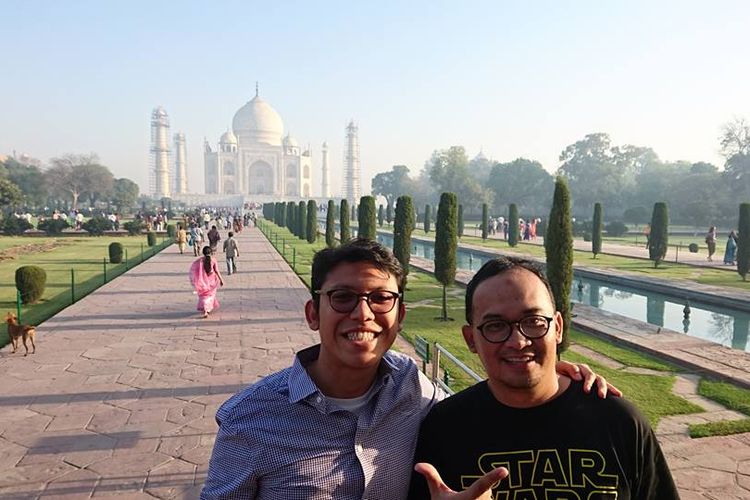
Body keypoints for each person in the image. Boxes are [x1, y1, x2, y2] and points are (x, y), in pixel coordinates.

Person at [200, 239, 616, 499]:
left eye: (381, 298)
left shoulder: (415, 390)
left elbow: (494, 402)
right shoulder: (250, 419)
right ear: (313, 312)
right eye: (343, 297)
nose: (362, 314)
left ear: (399, 318)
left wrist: (550, 374)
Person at [408, 256, 678, 500]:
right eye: (496, 326)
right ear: (471, 340)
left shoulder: (619, 422)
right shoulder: (445, 429)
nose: (518, 341)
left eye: (534, 321)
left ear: (558, 328)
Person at [189, 245, 224, 318]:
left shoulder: (199, 261)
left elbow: (194, 270)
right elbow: (216, 271)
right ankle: (207, 309)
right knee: (211, 295)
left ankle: (206, 309)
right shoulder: (213, 260)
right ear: (211, 252)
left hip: (203, 281)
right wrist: (221, 279)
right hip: (212, 281)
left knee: (204, 296)